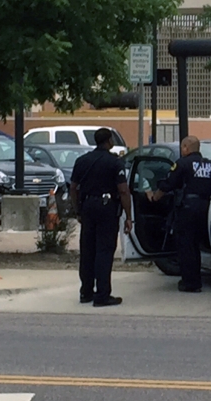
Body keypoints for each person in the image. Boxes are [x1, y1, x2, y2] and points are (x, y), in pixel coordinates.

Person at [147, 135, 211, 293]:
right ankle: (197, 279)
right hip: (206, 207)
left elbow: (168, 184)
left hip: (187, 208)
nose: (182, 150)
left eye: (182, 147)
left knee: (186, 245)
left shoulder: (182, 164)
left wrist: (154, 197)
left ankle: (190, 282)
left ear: (186, 147)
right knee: (196, 245)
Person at [69, 127, 132, 307]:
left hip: (87, 207)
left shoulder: (82, 161)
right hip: (107, 208)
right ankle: (102, 294)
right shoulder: (114, 163)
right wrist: (129, 216)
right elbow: (123, 190)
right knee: (104, 250)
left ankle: (86, 292)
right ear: (109, 141)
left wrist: (78, 210)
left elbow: (73, 188)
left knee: (87, 249)